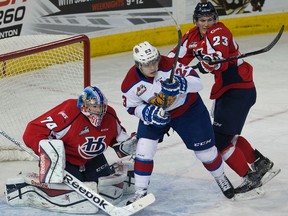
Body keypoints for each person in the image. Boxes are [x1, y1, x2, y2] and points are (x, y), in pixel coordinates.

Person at [168, 0, 277, 193]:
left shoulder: (220, 32)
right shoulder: (192, 35)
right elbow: (175, 59)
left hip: (238, 90)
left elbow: (220, 59)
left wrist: (210, 63)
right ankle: (260, 164)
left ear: (215, 19)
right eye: (202, 20)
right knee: (228, 136)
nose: (207, 23)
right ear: (196, 20)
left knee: (219, 140)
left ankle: (250, 178)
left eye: (210, 19)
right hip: (227, 90)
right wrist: (164, 71)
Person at [121, 41, 235, 204]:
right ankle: (140, 192)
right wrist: (147, 112)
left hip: (188, 111)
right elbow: (132, 107)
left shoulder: (171, 66)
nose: (153, 67)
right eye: (147, 64)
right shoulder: (130, 82)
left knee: (206, 153)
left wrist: (182, 84)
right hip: (156, 115)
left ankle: (221, 177)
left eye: (155, 61)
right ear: (138, 64)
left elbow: (198, 83)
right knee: (143, 150)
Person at [13, 86, 137, 213]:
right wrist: (48, 152)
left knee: (103, 187)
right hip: (66, 159)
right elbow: (32, 131)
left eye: (101, 106)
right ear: (84, 106)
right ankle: (29, 188)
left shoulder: (109, 115)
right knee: (67, 190)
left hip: (92, 158)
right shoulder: (68, 113)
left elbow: (118, 140)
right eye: (95, 107)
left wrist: (131, 144)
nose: (100, 110)